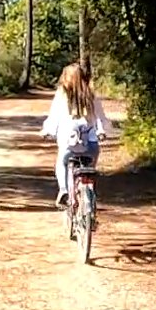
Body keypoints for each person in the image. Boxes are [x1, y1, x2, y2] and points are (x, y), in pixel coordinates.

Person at [39, 63, 111, 207]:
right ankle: (89, 192)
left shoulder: (62, 94)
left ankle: (64, 190)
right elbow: (100, 117)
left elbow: (54, 117)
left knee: (62, 164)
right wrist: (102, 131)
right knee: (89, 169)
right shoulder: (91, 95)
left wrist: (47, 131)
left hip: (68, 144)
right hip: (90, 146)